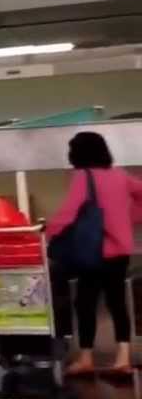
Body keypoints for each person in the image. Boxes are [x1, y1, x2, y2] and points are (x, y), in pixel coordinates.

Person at [48, 132, 142, 376]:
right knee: (117, 302)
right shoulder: (120, 175)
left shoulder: (83, 176)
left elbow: (70, 211)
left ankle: (86, 357)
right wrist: (129, 220)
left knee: (85, 302)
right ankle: (123, 358)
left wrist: (49, 232)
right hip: (120, 252)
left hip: (93, 251)